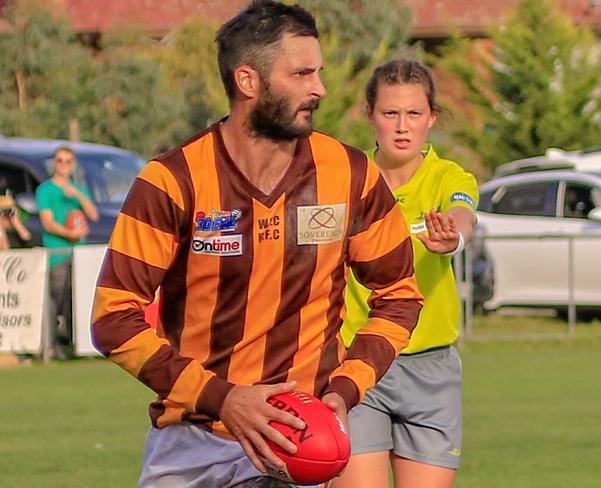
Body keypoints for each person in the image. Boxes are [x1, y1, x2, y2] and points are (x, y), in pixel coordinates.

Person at [90, 2, 423, 487]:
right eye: (302, 73)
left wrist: (345, 390)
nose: (320, 89)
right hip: (193, 441)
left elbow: (399, 296)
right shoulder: (171, 180)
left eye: (319, 72)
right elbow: (112, 318)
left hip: (297, 443)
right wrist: (223, 398)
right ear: (248, 81)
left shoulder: (351, 174)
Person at [331, 60, 479, 488]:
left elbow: (463, 213)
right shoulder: (346, 180)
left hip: (431, 370)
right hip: (356, 365)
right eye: (390, 113)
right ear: (370, 115)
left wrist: (455, 238)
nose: (402, 126)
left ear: (431, 117)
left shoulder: (449, 176)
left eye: (414, 114)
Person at [36, 146, 99, 359]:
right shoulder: (45, 190)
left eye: (67, 161)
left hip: (78, 256)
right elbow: (48, 223)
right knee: (57, 300)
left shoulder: (77, 189)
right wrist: (70, 233)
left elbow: (93, 215)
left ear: (73, 165)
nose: (63, 165)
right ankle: (52, 345)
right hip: (57, 253)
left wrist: (79, 196)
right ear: (54, 163)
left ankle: (76, 346)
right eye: (60, 161)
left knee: (77, 301)